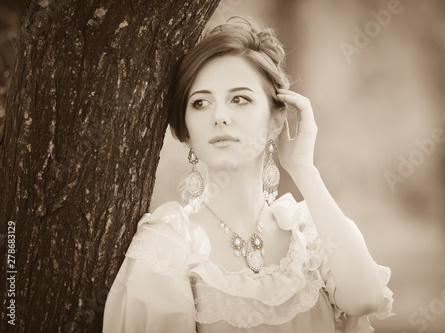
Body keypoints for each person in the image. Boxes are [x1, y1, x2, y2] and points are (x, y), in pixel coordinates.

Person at [103, 16, 394, 333]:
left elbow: (365, 299)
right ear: (185, 131)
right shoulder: (168, 246)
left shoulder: (307, 232)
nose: (220, 117)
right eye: (200, 102)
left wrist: (303, 170)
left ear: (275, 120)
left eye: (239, 99)